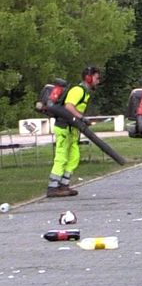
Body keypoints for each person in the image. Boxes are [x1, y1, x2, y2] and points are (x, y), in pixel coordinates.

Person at [46, 66, 102, 198]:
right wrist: (81, 117)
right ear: (88, 78)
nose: (98, 81)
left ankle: (64, 185)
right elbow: (69, 106)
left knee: (74, 156)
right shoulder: (78, 90)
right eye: (96, 78)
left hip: (72, 129)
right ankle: (53, 187)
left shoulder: (85, 92)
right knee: (62, 156)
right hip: (64, 128)